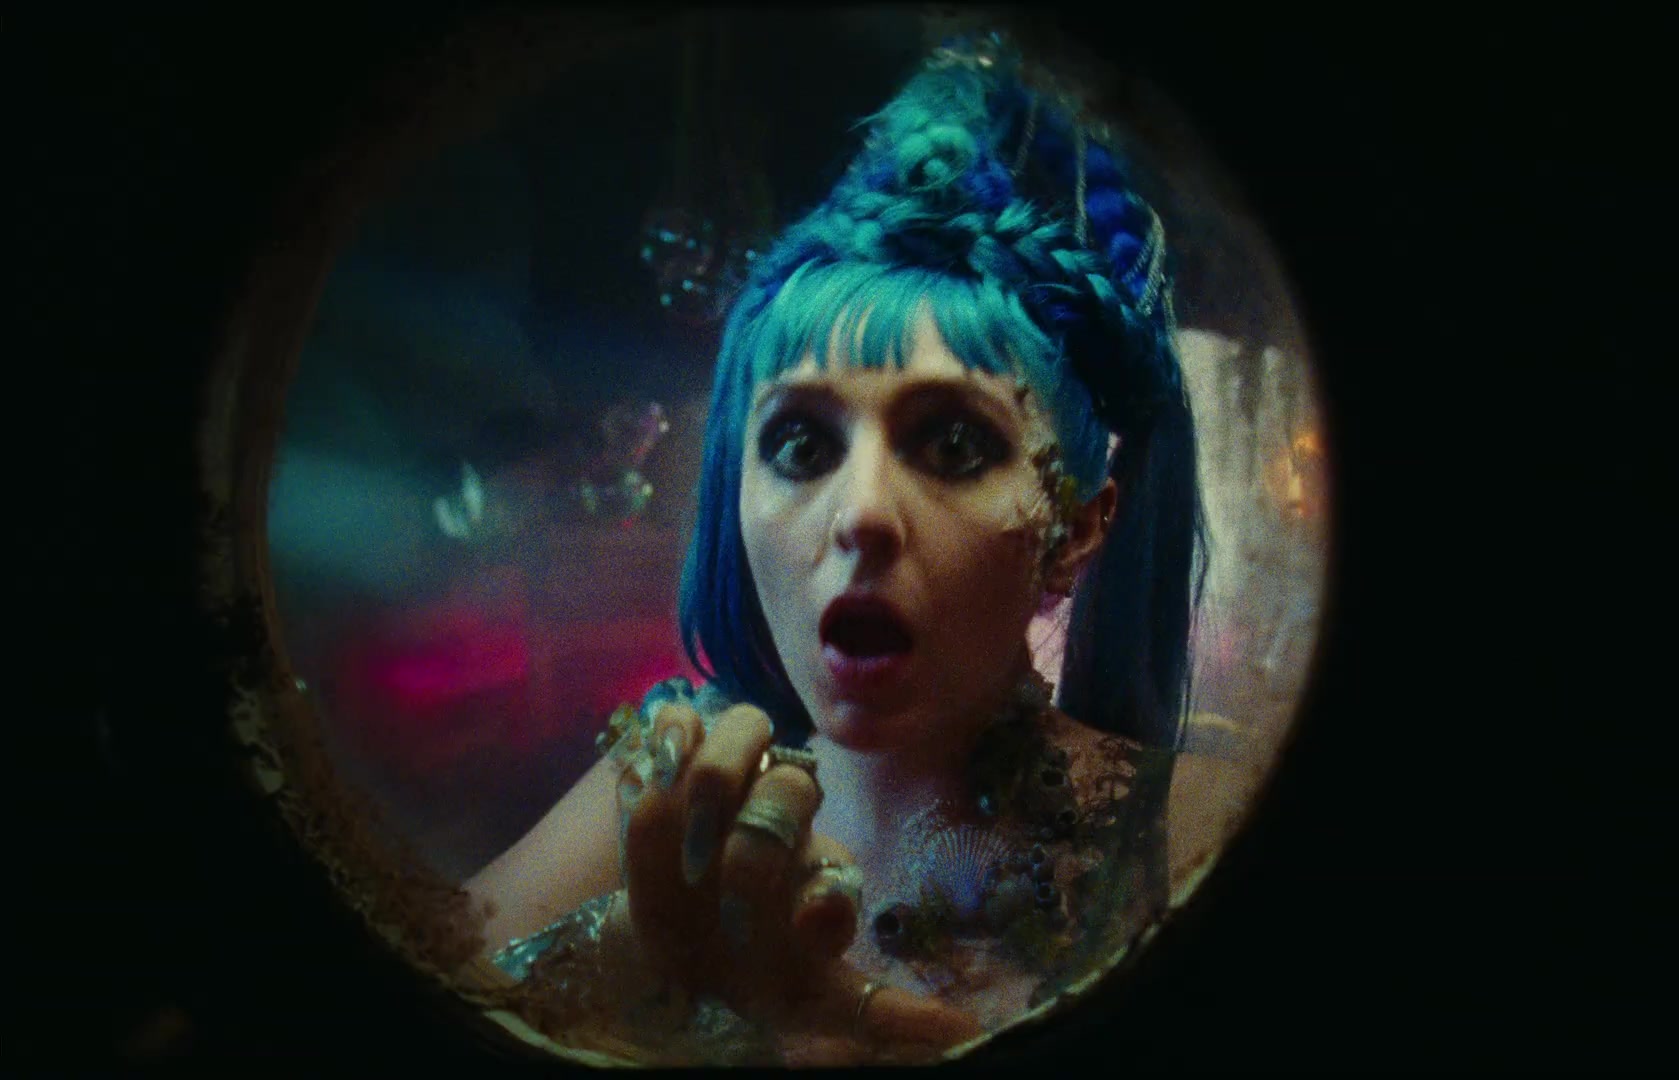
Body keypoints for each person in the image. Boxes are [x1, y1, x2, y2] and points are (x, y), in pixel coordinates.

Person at [462, 36, 1206, 1065]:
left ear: (1075, 528)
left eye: (954, 445)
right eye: (802, 445)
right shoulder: (672, 791)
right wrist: (597, 992)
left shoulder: (1183, 828)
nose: (859, 515)